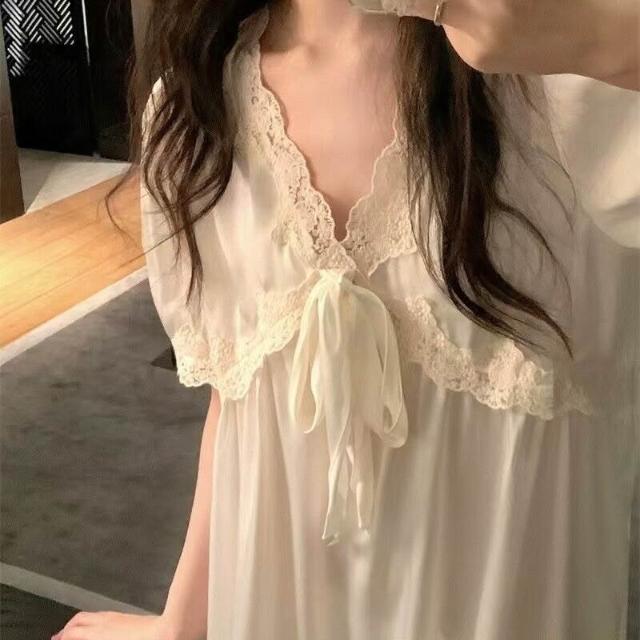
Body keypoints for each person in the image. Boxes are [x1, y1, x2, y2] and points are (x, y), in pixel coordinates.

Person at [52, 0, 639, 638]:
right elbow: (243, 401)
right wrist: (181, 624)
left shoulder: (571, 83)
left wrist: (593, 37)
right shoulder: (196, 108)